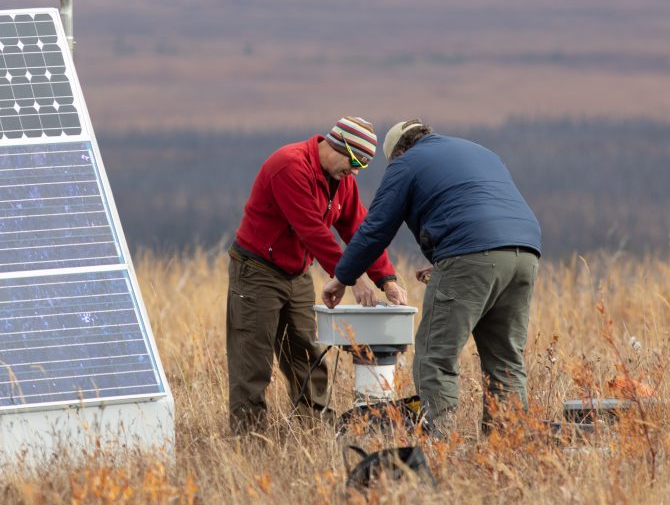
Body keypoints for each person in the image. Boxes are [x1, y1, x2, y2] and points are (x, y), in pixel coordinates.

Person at [322, 119, 541, 434]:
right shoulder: (480, 152)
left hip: (471, 254)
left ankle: (442, 444)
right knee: (505, 359)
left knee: (434, 357)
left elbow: (375, 229)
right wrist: (445, 259)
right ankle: (511, 445)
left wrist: (342, 277)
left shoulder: (405, 165)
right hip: (524, 253)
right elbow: (476, 207)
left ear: (398, 152)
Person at [227, 116, 405, 434]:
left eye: (361, 167)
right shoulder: (290, 166)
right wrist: (355, 278)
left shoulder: (343, 181)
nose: (354, 172)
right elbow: (313, 232)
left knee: (307, 354)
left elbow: (360, 230)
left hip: (297, 274)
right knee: (252, 360)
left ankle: (313, 431)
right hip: (257, 272)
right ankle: (249, 440)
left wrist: (385, 279)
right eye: (354, 162)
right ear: (336, 144)